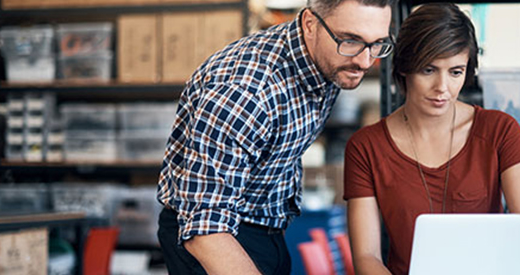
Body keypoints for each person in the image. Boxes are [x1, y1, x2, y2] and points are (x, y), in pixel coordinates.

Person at [156, 0, 395, 274]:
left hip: (268, 228)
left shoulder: (331, 59)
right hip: (215, 238)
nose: (365, 61)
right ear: (309, 24)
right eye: (351, 40)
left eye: (377, 44)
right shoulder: (245, 92)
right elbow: (204, 227)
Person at [343, 3, 520, 275]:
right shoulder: (366, 147)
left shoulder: (499, 130)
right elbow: (367, 257)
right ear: (404, 67)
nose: (442, 88)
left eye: (455, 72)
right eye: (428, 70)